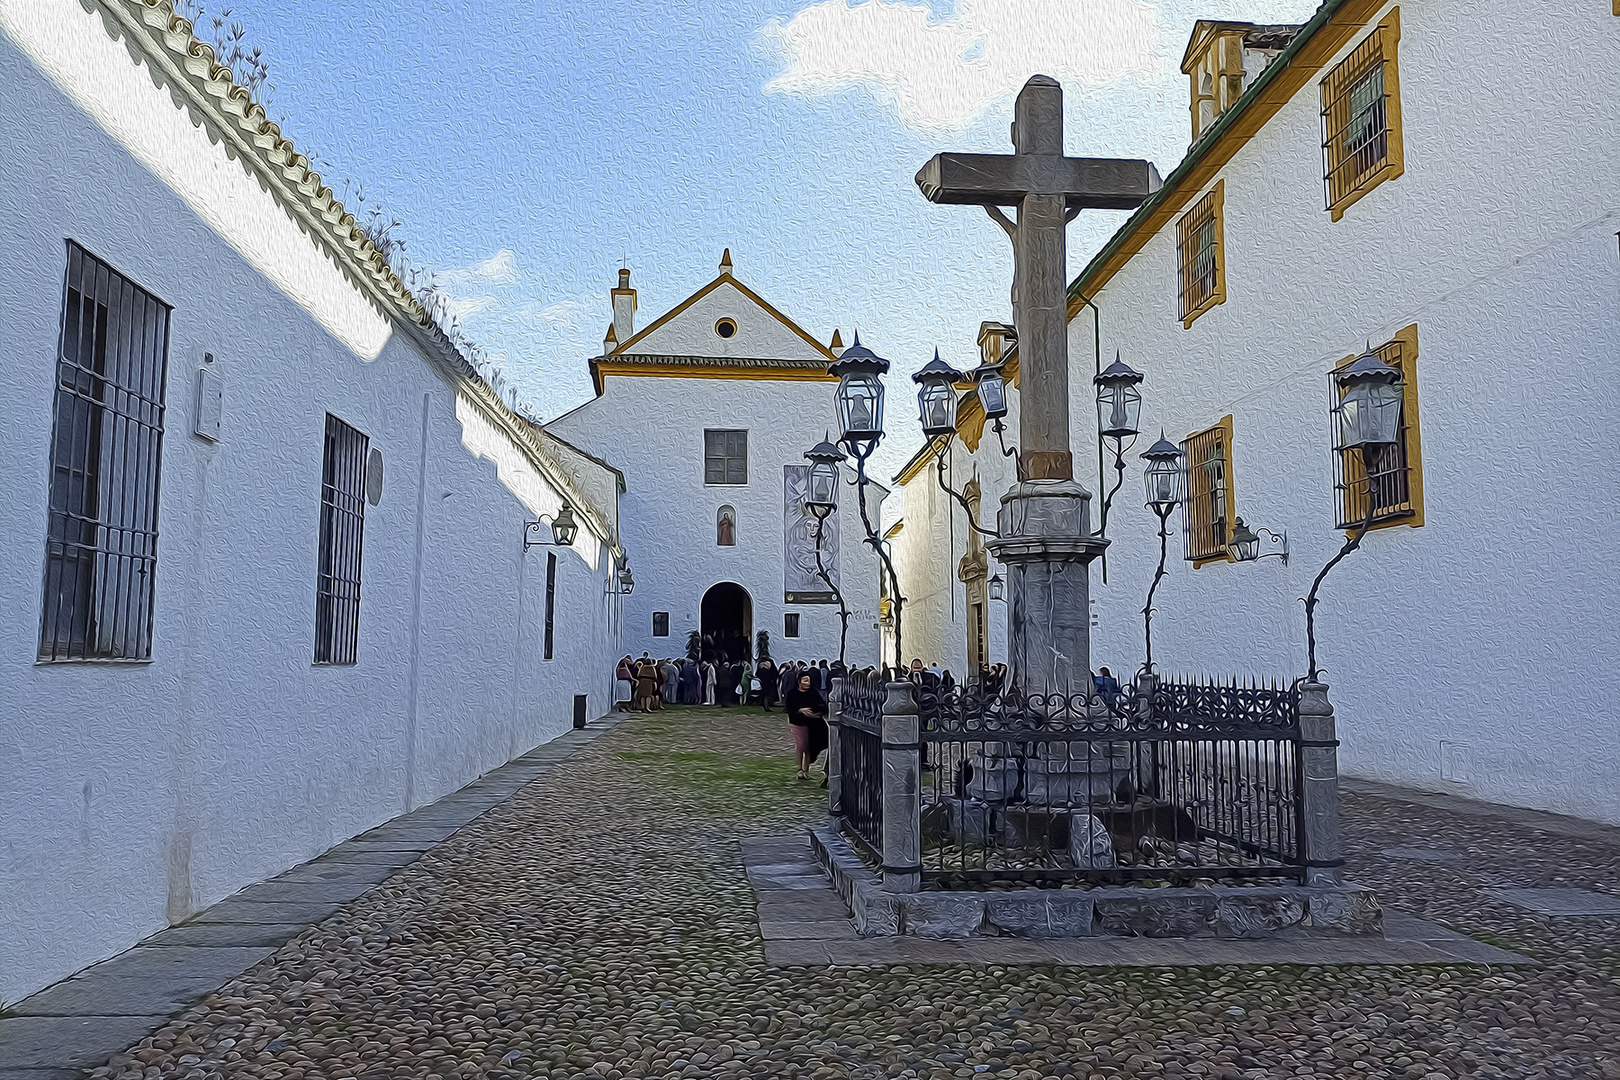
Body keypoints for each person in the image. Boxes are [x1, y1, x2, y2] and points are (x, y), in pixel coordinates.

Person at [784, 670, 828, 783]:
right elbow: (789, 707)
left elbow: (822, 705)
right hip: (798, 722)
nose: (807, 683)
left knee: (809, 747)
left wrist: (815, 712)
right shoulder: (792, 693)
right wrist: (800, 710)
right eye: (805, 680)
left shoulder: (813, 692)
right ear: (799, 681)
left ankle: (806, 770)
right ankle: (799, 769)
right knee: (801, 745)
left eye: (808, 681)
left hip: (812, 724)